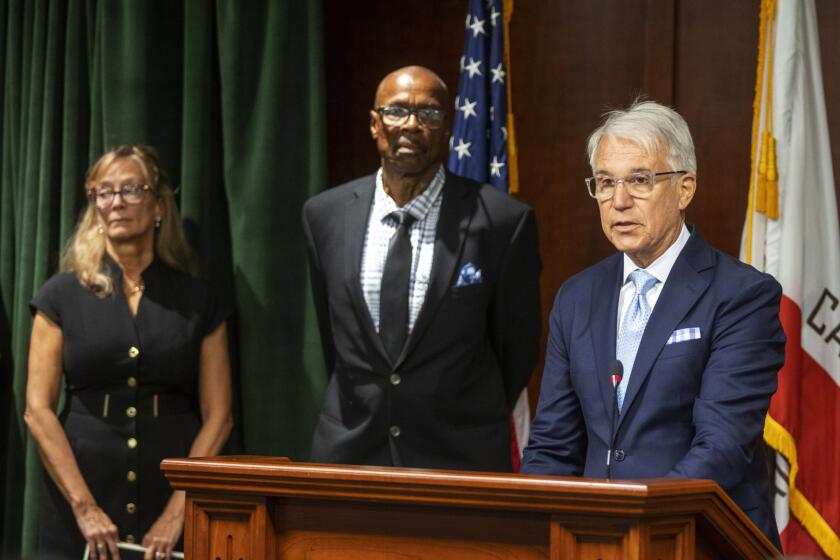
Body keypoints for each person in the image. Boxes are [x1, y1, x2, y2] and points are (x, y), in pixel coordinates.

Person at [521, 100, 785, 549]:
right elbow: (552, 446)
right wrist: (532, 536)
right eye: (605, 183)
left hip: (701, 540)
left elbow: (721, 446)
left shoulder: (742, 295)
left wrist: (638, 527)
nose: (619, 201)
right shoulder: (577, 296)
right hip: (591, 542)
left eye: (640, 180)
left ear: (684, 189)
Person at [302, 66, 541, 471]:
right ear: (375, 124)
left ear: (447, 128)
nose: (411, 125)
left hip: (459, 458)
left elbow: (516, 349)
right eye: (396, 111)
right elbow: (336, 340)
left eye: (429, 114)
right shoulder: (324, 215)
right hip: (351, 456)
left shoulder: (502, 222)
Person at [24, 145, 233, 560]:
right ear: (95, 208)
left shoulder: (198, 299)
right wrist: (84, 508)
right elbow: (37, 410)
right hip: (80, 488)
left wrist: (179, 511)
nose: (116, 202)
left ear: (158, 206)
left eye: (131, 189)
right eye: (104, 192)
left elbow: (220, 416)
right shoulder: (59, 296)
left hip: (170, 485)